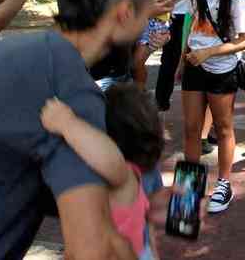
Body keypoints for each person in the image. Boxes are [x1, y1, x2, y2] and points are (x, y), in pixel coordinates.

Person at [0, 0, 158, 259]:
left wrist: (134, 195)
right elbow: (90, 250)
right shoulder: (72, 100)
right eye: (150, 7)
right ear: (125, 12)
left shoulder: (16, 52)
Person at [40, 82, 164, 259]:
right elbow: (147, 224)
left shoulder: (123, 174)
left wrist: (67, 123)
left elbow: (106, 158)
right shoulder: (143, 173)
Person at [180, 0, 245, 214]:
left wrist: (210, 52)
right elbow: (193, 22)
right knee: (191, 129)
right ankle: (189, 187)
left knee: (223, 128)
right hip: (193, 65)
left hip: (222, 69)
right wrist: (181, 61)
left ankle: (224, 184)